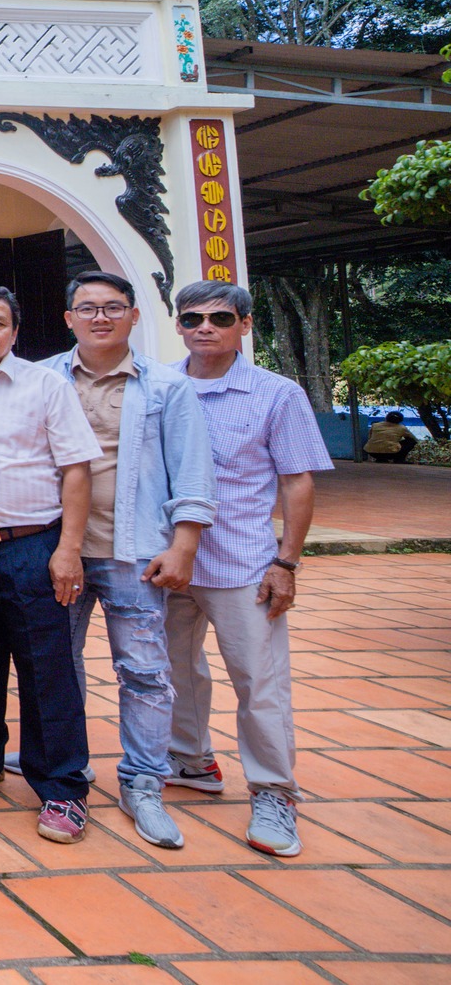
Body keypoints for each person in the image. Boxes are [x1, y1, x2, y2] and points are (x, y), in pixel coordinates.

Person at [32, 272, 217, 849]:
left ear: (134, 316)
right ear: (68, 319)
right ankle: (68, 767)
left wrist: (183, 543)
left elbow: (192, 470)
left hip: (133, 550)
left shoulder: (166, 386)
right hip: (54, 547)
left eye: (113, 307)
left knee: (144, 672)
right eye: (87, 308)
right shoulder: (40, 380)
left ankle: (143, 782)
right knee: (55, 669)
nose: (100, 318)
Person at [169, 280, 332, 858]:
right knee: (172, 670)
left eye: (219, 317)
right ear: (178, 324)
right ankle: (189, 759)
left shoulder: (276, 394)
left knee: (258, 682)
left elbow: (297, 480)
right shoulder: (162, 386)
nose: (205, 327)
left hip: (241, 562)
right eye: (193, 318)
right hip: (167, 562)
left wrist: (286, 560)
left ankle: (273, 790)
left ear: (244, 324)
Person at [0, 283, 101, 844]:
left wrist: (68, 549)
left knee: (45, 670)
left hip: (33, 544)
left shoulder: (46, 386)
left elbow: (77, 470)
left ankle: (61, 789)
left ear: (14, 331)